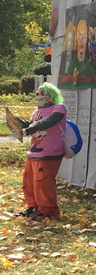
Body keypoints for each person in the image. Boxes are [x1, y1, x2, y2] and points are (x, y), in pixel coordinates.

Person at [10, 83, 69, 220]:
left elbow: (45, 123)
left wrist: (27, 130)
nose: (38, 96)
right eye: (37, 93)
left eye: (41, 93)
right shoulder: (36, 112)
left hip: (49, 154)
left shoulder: (59, 109)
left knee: (43, 183)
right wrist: (18, 122)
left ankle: (47, 211)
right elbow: (31, 124)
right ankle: (33, 207)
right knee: (29, 182)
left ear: (51, 96)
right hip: (33, 153)